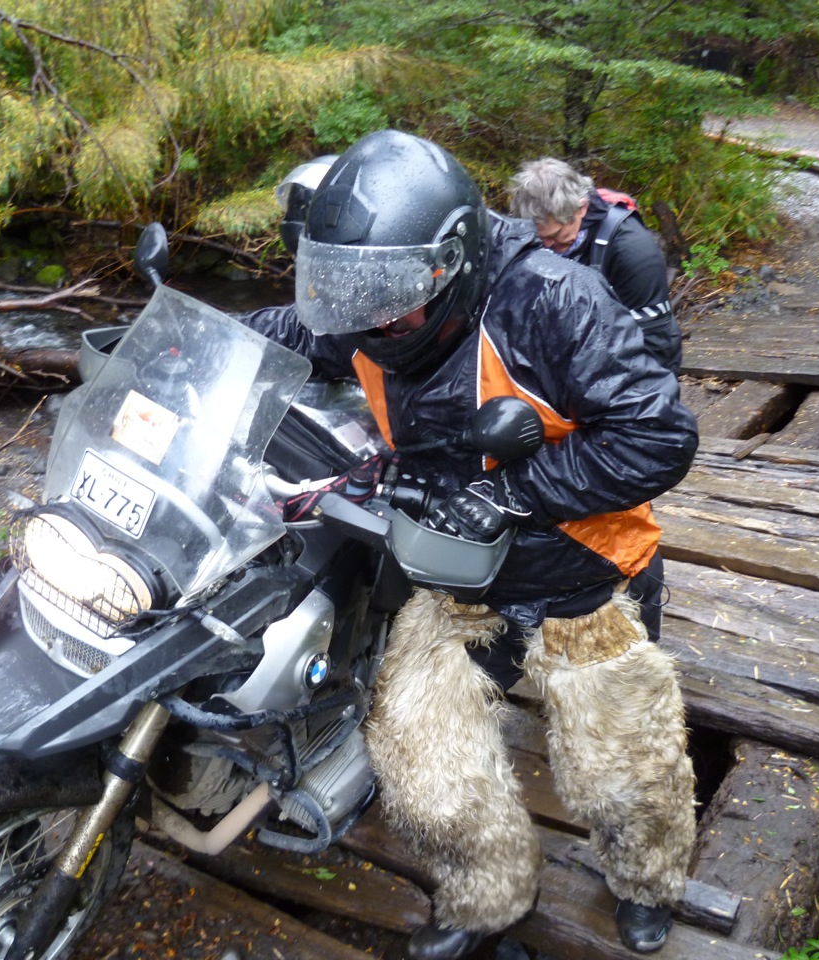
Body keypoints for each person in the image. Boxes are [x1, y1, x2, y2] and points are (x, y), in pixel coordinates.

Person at [239, 130, 697, 958]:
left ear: (450, 260)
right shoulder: (369, 304)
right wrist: (183, 340)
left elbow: (658, 438)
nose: (370, 320)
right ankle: (486, 896)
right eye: (349, 298)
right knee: (420, 753)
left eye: (389, 301)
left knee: (623, 765)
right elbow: (292, 331)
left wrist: (514, 492)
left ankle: (646, 880)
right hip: (453, 572)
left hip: (584, 566)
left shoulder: (553, 302)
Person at [508, 157, 682, 373]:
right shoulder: (531, 234)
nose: (547, 247)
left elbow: (654, 345)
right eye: (540, 238)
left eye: (555, 236)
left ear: (581, 208)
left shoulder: (632, 249)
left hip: (631, 365)